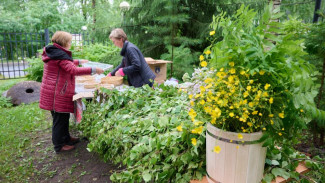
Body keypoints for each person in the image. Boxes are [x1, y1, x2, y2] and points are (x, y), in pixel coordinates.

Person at [39, 31, 104, 153]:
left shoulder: (54, 52)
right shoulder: (59, 55)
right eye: (69, 42)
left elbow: (66, 63)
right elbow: (72, 70)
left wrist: (78, 61)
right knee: (59, 119)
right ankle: (59, 145)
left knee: (63, 116)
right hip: (56, 92)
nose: (70, 44)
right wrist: (93, 69)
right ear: (64, 42)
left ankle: (66, 138)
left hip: (54, 91)